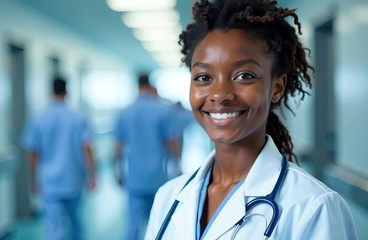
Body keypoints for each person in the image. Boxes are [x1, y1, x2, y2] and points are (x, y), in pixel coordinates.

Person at [145, 0, 358, 239]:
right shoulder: (168, 197)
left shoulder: (313, 207)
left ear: (276, 87)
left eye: (244, 75)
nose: (219, 94)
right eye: (204, 77)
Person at [21, 77, 97, 240]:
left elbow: (33, 153)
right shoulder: (79, 118)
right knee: (76, 221)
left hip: (49, 182)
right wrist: (92, 175)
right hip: (73, 180)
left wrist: (33, 180)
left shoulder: (38, 118)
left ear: (51, 91)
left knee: (54, 227)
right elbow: (87, 148)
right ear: (66, 91)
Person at [114, 74, 180, 240]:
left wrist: (118, 171)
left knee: (133, 225)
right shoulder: (163, 111)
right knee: (159, 223)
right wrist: (177, 167)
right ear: (150, 85)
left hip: (135, 178)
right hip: (158, 178)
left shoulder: (124, 113)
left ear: (137, 86)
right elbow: (171, 142)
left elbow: (117, 147)